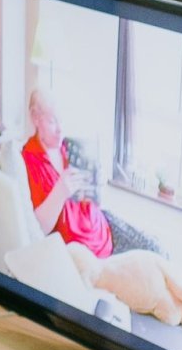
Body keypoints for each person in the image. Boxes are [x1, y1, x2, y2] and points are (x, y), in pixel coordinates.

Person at [21, 88, 113, 258]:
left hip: (100, 234)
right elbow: (38, 228)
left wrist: (97, 184)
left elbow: (89, 200)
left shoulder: (68, 148)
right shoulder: (29, 160)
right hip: (77, 254)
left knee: (152, 248)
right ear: (35, 118)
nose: (60, 129)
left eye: (62, 120)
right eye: (52, 122)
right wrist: (60, 192)